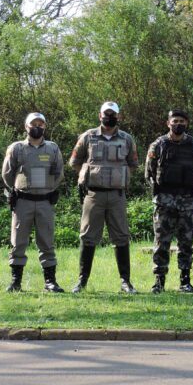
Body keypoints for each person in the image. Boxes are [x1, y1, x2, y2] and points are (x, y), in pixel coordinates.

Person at [69, 101, 139, 293]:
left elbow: (133, 164)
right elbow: (74, 162)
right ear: (100, 115)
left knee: (121, 237)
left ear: (119, 117)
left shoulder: (126, 139)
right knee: (88, 237)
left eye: (113, 114)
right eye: (106, 113)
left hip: (117, 196)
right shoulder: (88, 136)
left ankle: (125, 282)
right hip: (93, 196)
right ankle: (82, 281)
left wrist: (118, 178)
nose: (109, 116)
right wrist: (88, 176)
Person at [2, 112, 65, 293]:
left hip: (45, 202)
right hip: (23, 202)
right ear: (26, 126)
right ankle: (16, 282)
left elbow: (59, 173)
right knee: (18, 242)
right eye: (33, 124)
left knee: (47, 241)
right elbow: (7, 173)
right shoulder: (16, 148)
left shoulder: (53, 149)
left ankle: (50, 282)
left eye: (41, 124)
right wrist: (14, 189)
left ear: (45, 126)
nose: (37, 126)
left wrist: (49, 189)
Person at [144, 109, 193, 293]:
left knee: (186, 242)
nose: (179, 124)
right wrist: (159, 194)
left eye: (182, 121)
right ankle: (159, 281)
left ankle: (185, 281)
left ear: (187, 124)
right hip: (164, 201)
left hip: (187, 201)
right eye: (175, 120)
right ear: (168, 123)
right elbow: (149, 173)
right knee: (162, 241)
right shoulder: (158, 145)